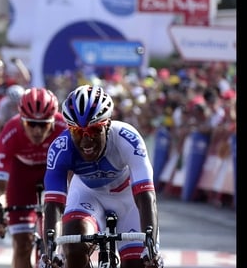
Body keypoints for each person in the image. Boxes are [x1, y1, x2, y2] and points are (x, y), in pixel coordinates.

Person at [41, 85, 164, 268]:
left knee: (138, 263)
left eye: (94, 130)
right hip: (86, 193)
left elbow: (146, 196)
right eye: (77, 131)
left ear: (107, 125)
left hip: (127, 198)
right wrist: (51, 251)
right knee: (73, 249)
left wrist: (151, 246)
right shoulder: (60, 149)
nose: (86, 140)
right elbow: (53, 205)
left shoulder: (127, 138)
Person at [0, 87, 66, 268]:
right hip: (21, 175)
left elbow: (74, 176)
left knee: (62, 244)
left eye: (44, 124)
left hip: (53, 171)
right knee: (22, 245)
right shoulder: (10, 132)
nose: (37, 131)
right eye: (31, 124)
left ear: (53, 121)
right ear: (22, 121)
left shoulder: (64, 129)